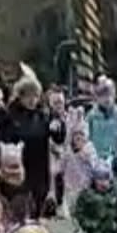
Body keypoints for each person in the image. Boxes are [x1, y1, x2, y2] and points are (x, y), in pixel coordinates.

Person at [1, 66, 52, 217]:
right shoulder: (11, 117)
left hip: (40, 168)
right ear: (20, 96)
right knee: (21, 206)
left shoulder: (43, 116)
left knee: (38, 205)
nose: (32, 100)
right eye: (28, 96)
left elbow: (53, 138)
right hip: (20, 167)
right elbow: (6, 141)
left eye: (35, 96)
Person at [61, 113, 98, 233]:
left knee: (84, 208)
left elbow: (94, 164)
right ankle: (77, 227)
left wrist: (85, 156)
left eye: (81, 135)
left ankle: (85, 228)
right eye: (75, 135)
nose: (78, 138)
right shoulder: (68, 151)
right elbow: (62, 164)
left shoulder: (89, 149)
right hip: (71, 185)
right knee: (72, 209)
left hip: (85, 185)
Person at [87, 76, 117, 163]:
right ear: (97, 98)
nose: (107, 99)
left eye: (109, 95)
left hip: (115, 158)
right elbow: (87, 137)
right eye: (103, 96)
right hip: (96, 159)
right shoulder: (91, 116)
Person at [0, 142, 34, 226]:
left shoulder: (26, 192)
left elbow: (30, 215)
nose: (13, 172)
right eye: (10, 168)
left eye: (15, 167)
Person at [45, 86, 69, 215]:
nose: (58, 105)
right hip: (53, 157)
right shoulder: (46, 120)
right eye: (55, 103)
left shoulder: (70, 116)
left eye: (60, 102)